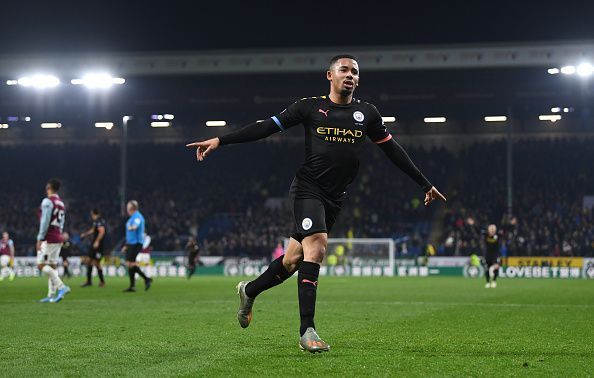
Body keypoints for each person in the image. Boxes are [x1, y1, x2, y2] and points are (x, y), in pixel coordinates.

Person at [186, 55, 446, 353]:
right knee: (318, 247)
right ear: (330, 75)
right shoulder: (309, 107)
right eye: (344, 70)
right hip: (308, 189)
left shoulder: (367, 113)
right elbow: (266, 127)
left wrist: (425, 183)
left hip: (336, 198)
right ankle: (307, 330)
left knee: (293, 260)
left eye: (355, 72)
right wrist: (221, 140)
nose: (350, 75)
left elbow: (393, 150)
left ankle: (249, 289)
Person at [37, 178, 71, 303]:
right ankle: (51, 295)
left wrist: (40, 237)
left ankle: (62, 287)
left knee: (40, 265)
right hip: (58, 237)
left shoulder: (47, 201)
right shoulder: (61, 203)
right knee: (52, 265)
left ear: (49, 188)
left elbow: (45, 221)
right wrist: (60, 235)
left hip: (49, 237)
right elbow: (61, 222)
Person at [122, 200, 152, 292]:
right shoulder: (132, 217)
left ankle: (146, 279)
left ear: (131, 208)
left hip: (136, 243)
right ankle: (134, 286)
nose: (126, 209)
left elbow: (136, 225)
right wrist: (126, 245)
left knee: (131, 264)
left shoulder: (137, 216)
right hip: (131, 243)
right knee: (130, 264)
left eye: (127, 207)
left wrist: (132, 227)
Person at [80, 209, 107, 287]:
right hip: (94, 244)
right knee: (89, 261)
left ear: (93, 214)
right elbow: (93, 230)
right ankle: (89, 281)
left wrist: (97, 241)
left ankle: (102, 282)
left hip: (98, 245)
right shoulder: (96, 221)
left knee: (97, 263)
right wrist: (85, 234)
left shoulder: (99, 221)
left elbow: (102, 231)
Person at [483, 224, 501, 288]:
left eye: (493, 229)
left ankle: (494, 281)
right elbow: (477, 230)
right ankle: (487, 282)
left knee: (496, 266)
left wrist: (511, 224)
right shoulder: (485, 235)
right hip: (487, 254)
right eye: (491, 229)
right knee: (487, 268)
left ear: (495, 230)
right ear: (488, 230)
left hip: (495, 254)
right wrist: (472, 225)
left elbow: (506, 229)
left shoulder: (498, 235)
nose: (492, 230)